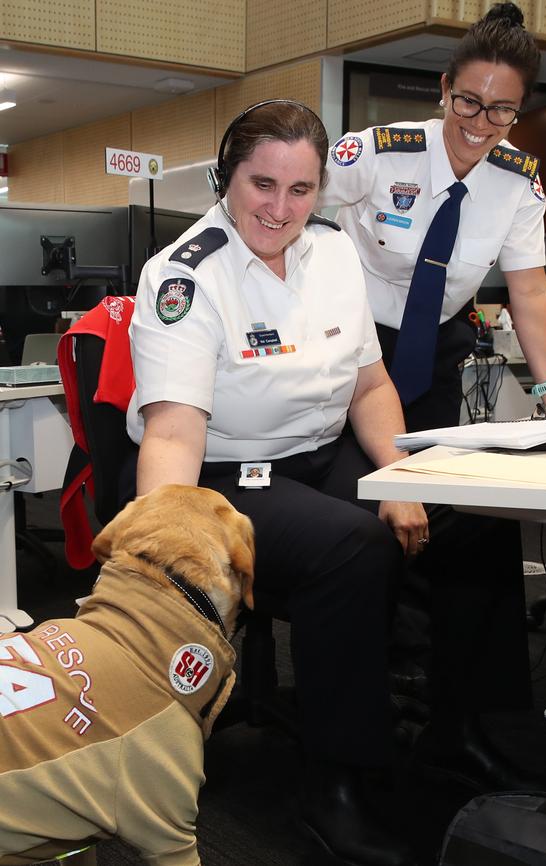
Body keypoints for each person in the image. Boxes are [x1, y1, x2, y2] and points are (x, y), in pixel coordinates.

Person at [120, 100, 426, 866]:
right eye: (262, 185)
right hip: (231, 471)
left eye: (300, 190)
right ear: (228, 177)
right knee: (353, 546)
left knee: (464, 508)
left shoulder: (334, 255)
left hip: (321, 454)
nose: (280, 209)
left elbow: (372, 389)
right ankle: (334, 786)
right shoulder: (184, 277)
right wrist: (167, 546)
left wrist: (401, 478)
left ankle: (450, 724)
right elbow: (174, 430)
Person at [320, 2, 546, 786]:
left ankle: (460, 715)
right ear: (443, 90)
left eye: (502, 108)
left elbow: (530, 292)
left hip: (434, 359)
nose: (481, 122)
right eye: (469, 101)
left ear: (518, 109)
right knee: (366, 517)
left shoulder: (516, 183)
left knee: (479, 524)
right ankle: (369, 690)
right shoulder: (378, 153)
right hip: (352, 355)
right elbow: (289, 215)